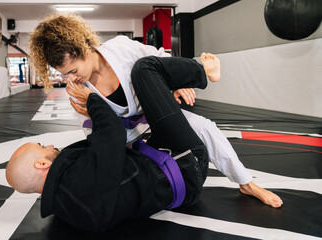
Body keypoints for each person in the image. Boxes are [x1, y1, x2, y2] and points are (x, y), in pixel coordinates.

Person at [29, 13, 282, 208]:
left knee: (204, 127)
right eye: (65, 75)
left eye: (73, 70)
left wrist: (174, 85)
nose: (71, 79)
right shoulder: (80, 92)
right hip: (132, 142)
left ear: (84, 49)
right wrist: (90, 111)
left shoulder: (120, 48)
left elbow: (158, 60)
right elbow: (104, 139)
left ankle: (246, 183)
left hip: (157, 116)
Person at [6, 56, 210, 231]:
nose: (50, 146)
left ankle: (174, 90)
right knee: (144, 69)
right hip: (186, 163)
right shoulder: (78, 179)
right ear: (42, 165)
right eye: (42, 147)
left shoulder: (65, 202)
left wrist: (92, 115)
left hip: (161, 166)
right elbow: (113, 134)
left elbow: (104, 153)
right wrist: (93, 99)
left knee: (150, 106)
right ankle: (204, 69)